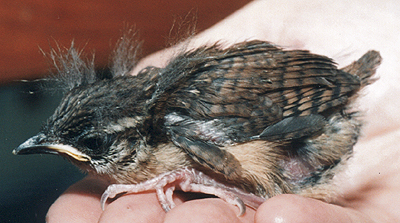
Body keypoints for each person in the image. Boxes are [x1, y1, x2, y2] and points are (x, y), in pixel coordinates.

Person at [46, 0, 400, 222]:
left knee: (281, 200)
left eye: (96, 144)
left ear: (137, 136)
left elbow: (278, 177)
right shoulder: (172, 119)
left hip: (310, 137)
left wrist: (192, 177)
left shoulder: (184, 122)